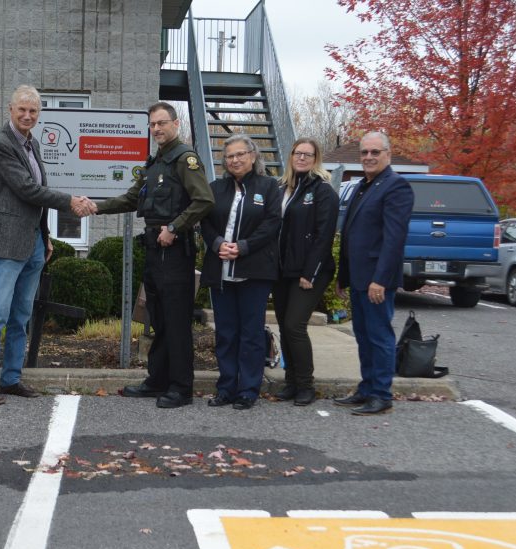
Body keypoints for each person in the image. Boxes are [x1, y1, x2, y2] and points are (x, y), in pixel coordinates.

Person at [0, 85, 96, 405]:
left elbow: (38, 193)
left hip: (34, 243)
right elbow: (27, 189)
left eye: (33, 111)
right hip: (8, 243)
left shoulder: (33, 143)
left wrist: (46, 235)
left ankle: (11, 377)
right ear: (10, 110)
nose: (28, 115)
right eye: (22, 110)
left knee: (21, 315)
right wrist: (71, 202)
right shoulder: (0, 143)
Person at [95, 102, 214, 408]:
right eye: (153, 125)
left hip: (175, 251)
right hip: (153, 248)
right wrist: (95, 207)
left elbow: (203, 200)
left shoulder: (184, 159)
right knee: (159, 319)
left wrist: (174, 227)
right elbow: (132, 198)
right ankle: (157, 380)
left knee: (176, 322)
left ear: (176, 124)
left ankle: (181, 387)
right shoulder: (155, 163)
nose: (157, 129)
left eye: (162, 123)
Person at [199, 134, 281, 410]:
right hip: (220, 272)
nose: (234, 160)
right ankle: (226, 388)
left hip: (254, 272)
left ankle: (247, 389)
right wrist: (217, 243)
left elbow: (271, 225)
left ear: (253, 155)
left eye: (240, 154)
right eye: (229, 156)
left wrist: (243, 247)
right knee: (225, 333)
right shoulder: (215, 188)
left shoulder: (269, 187)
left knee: (250, 333)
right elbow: (205, 223)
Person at [335, 131, 413, 415]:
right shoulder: (362, 187)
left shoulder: (396, 187)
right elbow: (350, 236)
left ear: (388, 154)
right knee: (363, 335)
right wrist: (343, 277)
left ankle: (382, 394)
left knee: (379, 336)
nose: (368, 157)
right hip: (357, 278)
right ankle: (367, 388)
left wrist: (379, 280)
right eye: (364, 152)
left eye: (375, 152)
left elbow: (394, 240)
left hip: (376, 280)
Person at [273, 138, 338, 406]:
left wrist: (309, 273)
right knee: (284, 326)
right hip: (282, 270)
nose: (302, 158)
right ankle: (290, 381)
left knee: (294, 325)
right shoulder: (282, 188)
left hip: (310, 271)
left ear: (316, 158)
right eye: (298, 153)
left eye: (308, 154)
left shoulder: (323, 191)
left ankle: (306, 385)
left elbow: (324, 236)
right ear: (291, 156)